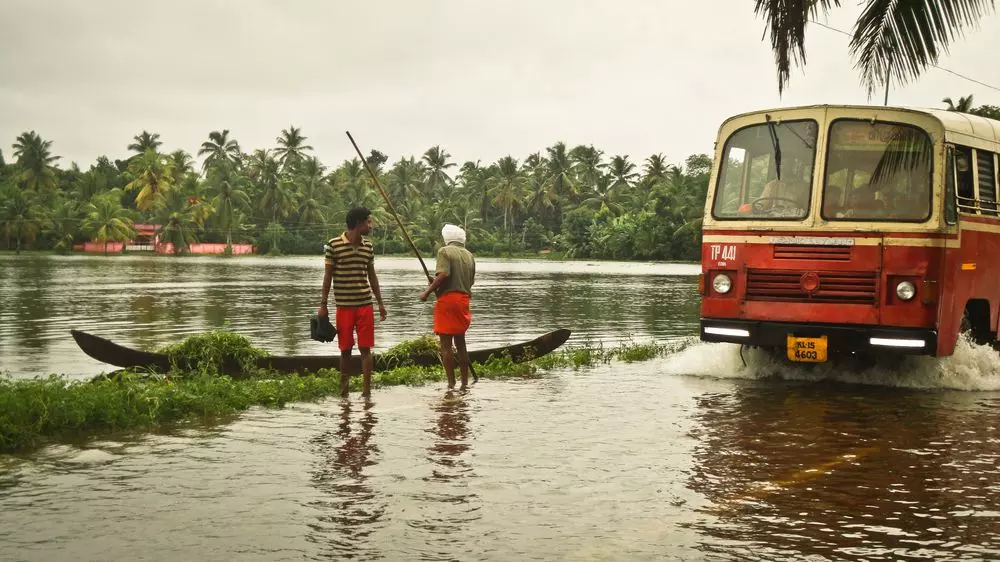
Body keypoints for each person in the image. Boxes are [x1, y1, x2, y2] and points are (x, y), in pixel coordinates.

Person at [318, 207, 387, 398]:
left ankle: (366, 393)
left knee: (366, 350)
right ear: (359, 223)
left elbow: (372, 277)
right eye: (369, 222)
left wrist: (380, 303)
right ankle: (344, 392)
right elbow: (327, 277)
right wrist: (323, 305)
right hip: (344, 307)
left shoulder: (368, 247)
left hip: (365, 305)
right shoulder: (333, 245)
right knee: (345, 350)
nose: (371, 226)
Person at [419, 224, 476, 389]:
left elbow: (444, 274)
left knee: (446, 346)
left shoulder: (444, 251)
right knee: (461, 343)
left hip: (448, 302)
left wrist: (428, 291)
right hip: (464, 300)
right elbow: (469, 281)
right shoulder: (469, 255)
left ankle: (451, 384)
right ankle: (464, 383)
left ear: (447, 239)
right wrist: (437, 284)